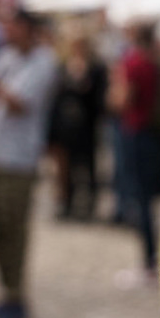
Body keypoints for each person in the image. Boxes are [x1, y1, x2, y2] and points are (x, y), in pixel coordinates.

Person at [0, 10, 59, 318]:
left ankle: (16, 295)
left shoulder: (44, 62)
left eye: (13, 26)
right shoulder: (6, 56)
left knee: (13, 228)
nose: (7, 31)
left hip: (18, 160)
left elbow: (19, 103)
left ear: (29, 29)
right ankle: (5, 291)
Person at [107, 20, 160, 287]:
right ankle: (151, 260)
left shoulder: (134, 62)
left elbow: (120, 101)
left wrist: (115, 82)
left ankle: (148, 264)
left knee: (139, 201)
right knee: (147, 201)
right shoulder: (154, 60)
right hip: (151, 134)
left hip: (135, 134)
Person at [48, 33, 106, 222]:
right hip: (65, 126)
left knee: (87, 166)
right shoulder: (62, 66)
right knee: (65, 167)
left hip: (86, 126)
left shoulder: (96, 68)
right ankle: (67, 201)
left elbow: (98, 99)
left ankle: (88, 203)